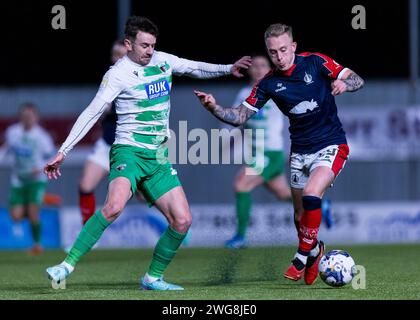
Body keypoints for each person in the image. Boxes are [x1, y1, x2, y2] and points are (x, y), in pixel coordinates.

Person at [44, 16, 252, 291]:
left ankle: (152, 278)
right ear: (128, 44)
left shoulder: (161, 60)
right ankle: (65, 266)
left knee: (182, 220)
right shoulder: (117, 74)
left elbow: (194, 67)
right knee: (114, 206)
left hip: (158, 157)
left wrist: (229, 67)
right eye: (144, 45)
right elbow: (92, 112)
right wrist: (63, 151)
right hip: (128, 151)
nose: (150, 51)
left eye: (153, 45)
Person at [195, 23, 364, 285]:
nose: (279, 56)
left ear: (293, 47)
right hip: (300, 152)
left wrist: (345, 85)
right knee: (298, 215)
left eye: (284, 50)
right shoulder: (269, 84)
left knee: (310, 193)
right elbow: (240, 116)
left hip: (331, 144)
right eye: (273, 52)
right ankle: (315, 249)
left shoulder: (316, 62)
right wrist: (213, 107)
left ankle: (300, 257)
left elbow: (357, 79)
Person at [224, 55, 292, 249]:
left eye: (263, 65)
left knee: (241, 185)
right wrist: (228, 135)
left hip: (270, 153)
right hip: (258, 153)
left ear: (270, 69)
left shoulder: (278, 89)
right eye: (255, 66)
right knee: (283, 193)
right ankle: (321, 205)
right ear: (250, 71)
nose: (259, 69)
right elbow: (236, 119)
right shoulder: (245, 93)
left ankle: (240, 237)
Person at [78, 40, 127, 225]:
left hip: (130, 147)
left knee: (145, 194)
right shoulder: (109, 78)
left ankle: (177, 223)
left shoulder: (139, 78)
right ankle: (87, 234)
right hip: (107, 144)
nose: (118, 58)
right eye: (116, 54)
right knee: (85, 185)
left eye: (122, 55)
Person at [0, 103, 55, 255]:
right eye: (24, 116)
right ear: (20, 117)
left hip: (36, 180)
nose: (27, 119)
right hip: (18, 179)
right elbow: (7, 148)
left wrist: (40, 168)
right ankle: (34, 206)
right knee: (16, 216)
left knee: (33, 214)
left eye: (30, 116)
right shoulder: (13, 132)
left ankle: (37, 245)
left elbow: (51, 158)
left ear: (36, 118)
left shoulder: (42, 137)